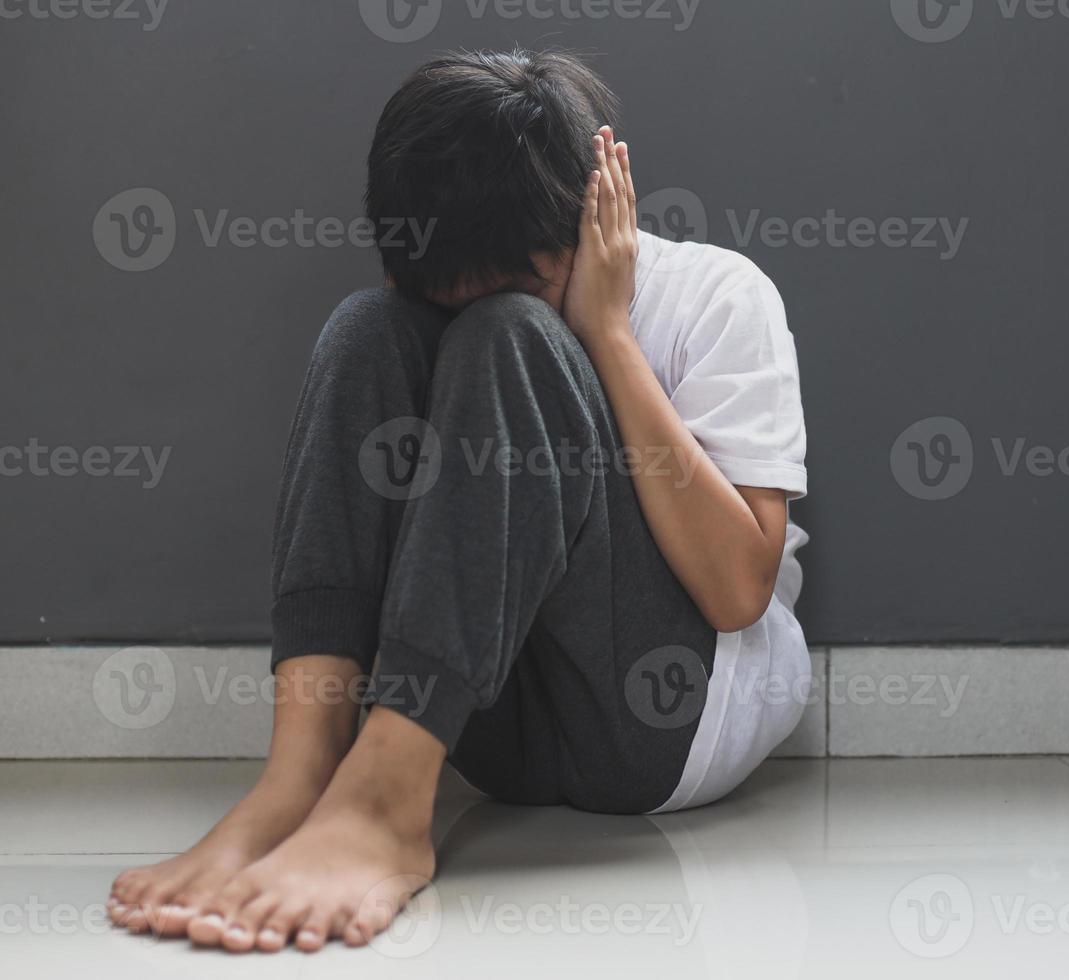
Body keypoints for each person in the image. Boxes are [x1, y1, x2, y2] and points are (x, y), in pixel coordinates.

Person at [103, 48, 810, 954]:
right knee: (364, 329)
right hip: (488, 729)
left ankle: (389, 805)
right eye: (442, 300)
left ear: (590, 224)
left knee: (512, 339)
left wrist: (604, 333)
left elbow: (741, 589)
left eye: (534, 282)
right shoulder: (415, 304)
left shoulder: (718, 294)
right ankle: (304, 778)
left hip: (668, 724)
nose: (459, 322)